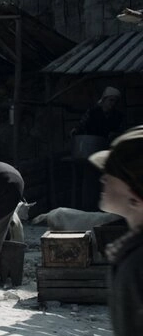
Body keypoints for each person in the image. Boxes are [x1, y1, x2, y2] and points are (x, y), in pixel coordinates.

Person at [90, 126, 143, 336]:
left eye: (111, 172)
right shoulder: (132, 250)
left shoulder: (137, 264)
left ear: (135, 196)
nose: (103, 178)